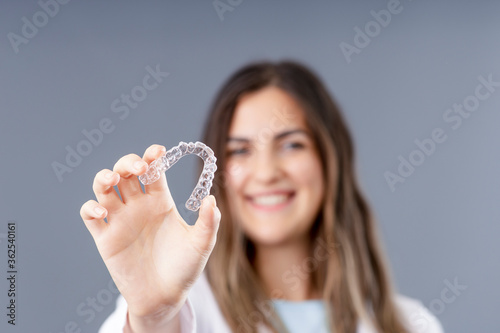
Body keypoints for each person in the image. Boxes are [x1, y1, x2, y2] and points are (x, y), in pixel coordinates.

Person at [80, 61, 443, 333]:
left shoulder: (414, 324)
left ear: (331, 160)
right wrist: (154, 317)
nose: (267, 172)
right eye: (240, 151)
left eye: (291, 145)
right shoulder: (180, 313)